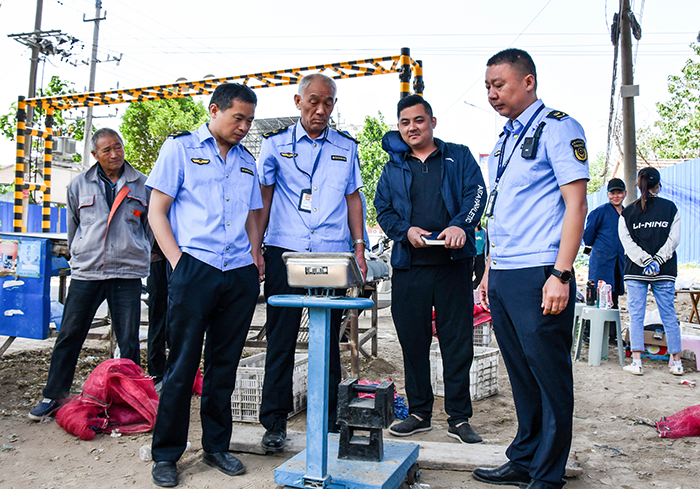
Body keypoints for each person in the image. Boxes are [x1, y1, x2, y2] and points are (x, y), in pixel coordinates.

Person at [473, 49, 589, 489]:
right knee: (520, 373)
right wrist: (488, 272)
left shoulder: (559, 129)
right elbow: (504, 212)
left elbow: (575, 204)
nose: (491, 94)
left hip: (542, 271)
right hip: (504, 272)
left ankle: (547, 475)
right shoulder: (505, 139)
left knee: (549, 376)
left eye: (499, 84)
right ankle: (524, 457)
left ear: (528, 82)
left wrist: (561, 273)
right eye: (487, 86)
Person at [146, 83, 264, 487]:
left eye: (249, 120)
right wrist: (179, 264)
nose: (244, 127)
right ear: (214, 111)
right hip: (195, 268)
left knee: (224, 366)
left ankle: (216, 447)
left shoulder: (248, 160)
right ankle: (166, 454)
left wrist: (255, 255)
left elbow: (252, 215)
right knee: (180, 366)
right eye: (238, 118)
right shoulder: (179, 150)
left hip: (239, 274)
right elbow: (157, 211)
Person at [256, 73, 367, 452]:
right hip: (284, 251)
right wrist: (255, 248)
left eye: (329, 103)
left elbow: (354, 199)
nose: (321, 110)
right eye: (314, 101)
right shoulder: (273, 147)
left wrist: (360, 247)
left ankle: (332, 419)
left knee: (329, 339)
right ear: (298, 101)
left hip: (330, 254)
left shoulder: (346, 148)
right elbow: (264, 200)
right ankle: (274, 421)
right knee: (281, 339)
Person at [374, 95, 486, 444]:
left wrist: (460, 226)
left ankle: (459, 417)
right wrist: (405, 232)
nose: (412, 128)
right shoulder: (393, 168)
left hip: (453, 267)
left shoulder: (459, 156)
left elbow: (477, 194)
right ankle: (420, 412)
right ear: (399, 127)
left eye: (419, 120)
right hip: (410, 268)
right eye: (405, 122)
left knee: (457, 343)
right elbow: (383, 209)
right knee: (413, 342)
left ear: (433, 122)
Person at [28, 128, 151, 422]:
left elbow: (149, 227)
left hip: (127, 272)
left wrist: (138, 249)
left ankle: (130, 400)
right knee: (70, 334)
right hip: (88, 272)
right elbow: (74, 229)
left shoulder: (142, 184)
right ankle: (54, 394)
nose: (114, 154)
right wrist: (83, 253)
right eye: (107, 150)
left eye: (118, 147)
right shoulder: (78, 185)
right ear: (95, 155)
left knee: (129, 340)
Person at [619, 167, 683, 376]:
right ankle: (676, 363)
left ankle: (637, 362)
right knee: (669, 315)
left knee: (636, 315)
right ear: (658, 185)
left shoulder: (627, 212)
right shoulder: (670, 208)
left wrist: (645, 260)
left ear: (639, 185)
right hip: (664, 270)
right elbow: (673, 241)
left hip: (635, 271)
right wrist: (656, 260)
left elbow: (626, 243)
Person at [583, 178, 627, 311]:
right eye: (612, 193)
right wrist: (589, 246)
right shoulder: (599, 212)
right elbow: (588, 234)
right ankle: (594, 330)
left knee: (614, 297)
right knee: (600, 294)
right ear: (608, 194)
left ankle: (612, 330)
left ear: (625, 193)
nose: (616, 196)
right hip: (602, 260)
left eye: (619, 193)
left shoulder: (627, 213)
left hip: (619, 260)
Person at [146, 242, 168, 391]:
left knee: (182, 320)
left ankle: (178, 369)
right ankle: (156, 372)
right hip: (158, 259)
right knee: (157, 318)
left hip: (183, 258)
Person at [473, 222, 487, 289]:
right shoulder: (470, 231)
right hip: (472, 255)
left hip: (480, 255)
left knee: (480, 274)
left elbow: (486, 243)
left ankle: (474, 288)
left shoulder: (483, 231)